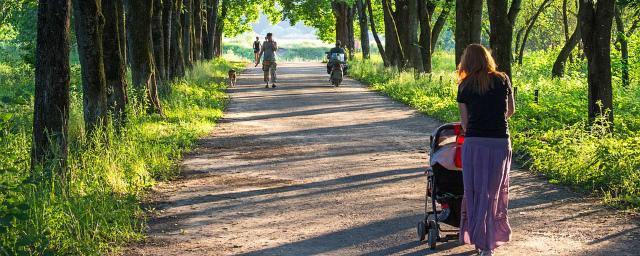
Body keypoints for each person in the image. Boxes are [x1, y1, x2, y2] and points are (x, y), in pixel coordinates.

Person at [456, 44, 515, 256]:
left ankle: (480, 241)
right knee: (495, 192)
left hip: (475, 144)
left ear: (466, 62)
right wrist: (494, 121)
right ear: (487, 58)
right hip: (499, 142)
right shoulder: (502, 79)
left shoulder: (464, 86)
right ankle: (490, 242)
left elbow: (465, 124)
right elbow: (510, 110)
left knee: (475, 191)